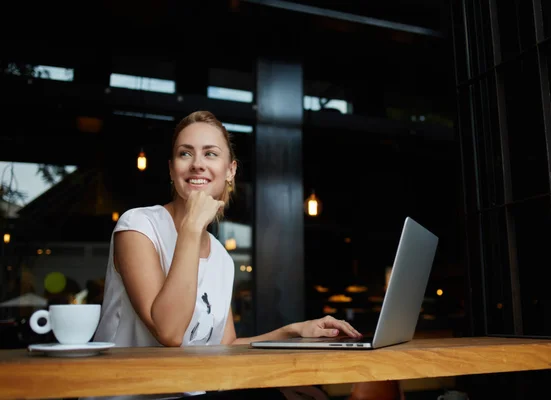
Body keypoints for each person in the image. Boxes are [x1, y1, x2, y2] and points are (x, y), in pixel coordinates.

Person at [92, 111, 363, 400]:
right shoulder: (138, 226)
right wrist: (192, 226)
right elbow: (169, 333)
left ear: (230, 170)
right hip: (124, 393)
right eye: (186, 154)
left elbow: (227, 344)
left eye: (210, 154)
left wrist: (294, 331)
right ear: (172, 170)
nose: (197, 164)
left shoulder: (221, 258)